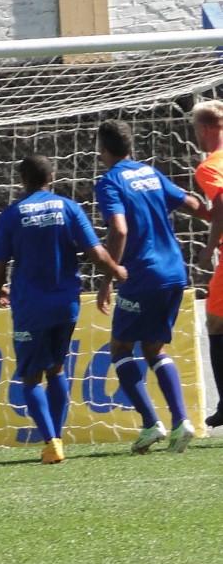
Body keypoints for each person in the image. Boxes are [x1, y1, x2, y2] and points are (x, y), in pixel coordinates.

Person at [0, 154, 127, 464]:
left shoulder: (12, 214)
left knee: (30, 377)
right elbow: (96, 251)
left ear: (22, 180)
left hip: (30, 306)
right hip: (66, 304)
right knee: (57, 369)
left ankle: (51, 441)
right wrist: (115, 271)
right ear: (51, 177)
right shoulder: (69, 208)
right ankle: (58, 437)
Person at [95, 120, 209, 454]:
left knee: (119, 348)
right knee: (154, 349)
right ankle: (181, 422)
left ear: (103, 149)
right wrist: (214, 220)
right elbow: (188, 202)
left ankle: (150, 424)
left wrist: (109, 276)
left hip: (142, 275)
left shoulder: (109, 182)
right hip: (174, 271)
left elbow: (119, 229)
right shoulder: (149, 173)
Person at [192, 100, 223, 427]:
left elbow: (222, 204)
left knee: (215, 323)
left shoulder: (209, 166)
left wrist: (209, 246)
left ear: (202, 130)